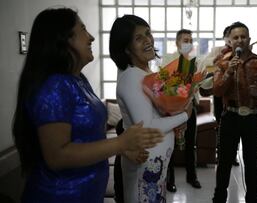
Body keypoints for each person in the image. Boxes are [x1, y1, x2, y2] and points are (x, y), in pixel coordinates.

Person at [12, 8, 164, 203]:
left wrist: (123, 149)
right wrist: (120, 143)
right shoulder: (55, 86)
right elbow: (57, 156)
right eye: (83, 30)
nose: (91, 37)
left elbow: (87, 136)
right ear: (64, 40)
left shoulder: (78, 79)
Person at [109, 15, 193, 202]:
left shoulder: (145, 73)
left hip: (155, 166)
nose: (148, 40)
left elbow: (155, 112)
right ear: (126, 48)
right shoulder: (131, 77)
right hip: (145, 166)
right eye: (138, 38)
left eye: (148, 33)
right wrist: (184, 116)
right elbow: (146, 126)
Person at [212, 22, 257, 203]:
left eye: (243, 36)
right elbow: (217, 91)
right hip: (230, 118)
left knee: (251, 163)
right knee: (224, 162)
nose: (240, 40)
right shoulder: (223, 64)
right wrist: (229, 72)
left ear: (248, 39)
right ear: (229, 41)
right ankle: (219, 198)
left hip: (253, 119)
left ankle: (252, 198)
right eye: (235, 37)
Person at [161, 29, 202, 192]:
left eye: (191, 40)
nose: (189, 43)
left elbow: (200, 84)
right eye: (185, 40)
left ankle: (192, 177)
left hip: (190, 107)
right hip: (172, 109)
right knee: (170, 144)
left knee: (191, 143)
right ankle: (169, 179)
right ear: (177, 43)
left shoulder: (195, 61)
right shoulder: (167, 59)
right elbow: (162, 83)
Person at [198, 25, 240, 166]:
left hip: (234, 94)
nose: (230, 39)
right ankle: (221, 152)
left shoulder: (242, 51)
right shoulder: (218, 50)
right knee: (220, 123)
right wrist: (216, 59)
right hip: (219, 93)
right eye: (228, 36)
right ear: (225, 38)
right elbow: (205, 65)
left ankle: (233, 155)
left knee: (236, 125)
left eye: (233, 36)